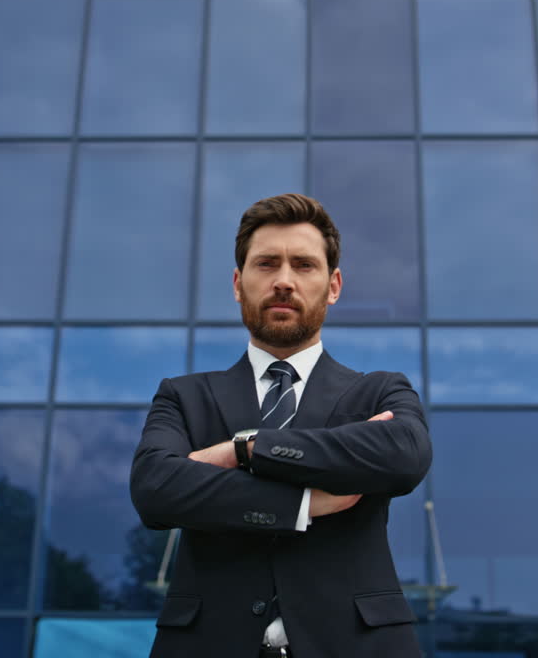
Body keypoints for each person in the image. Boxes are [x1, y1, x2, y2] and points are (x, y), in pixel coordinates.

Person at [130, 193, 432, 658]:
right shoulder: (183, 396)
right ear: (237, 283)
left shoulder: (380, 391)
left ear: (333, 286)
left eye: (304, 265)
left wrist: (245, 449)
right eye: (267, 264)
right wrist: (304, 503)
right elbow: (155, 488)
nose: (284, 281)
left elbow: (405, 454)